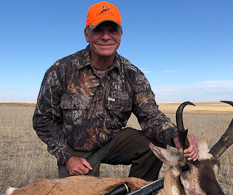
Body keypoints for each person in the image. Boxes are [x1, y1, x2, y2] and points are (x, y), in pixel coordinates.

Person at [33, 1, 198, 181]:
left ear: (120, 34)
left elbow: (150, 117)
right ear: (86, 34)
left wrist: (175, 135)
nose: (106, 37)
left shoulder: (132, 75)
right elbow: (43, 120)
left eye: (112, 30)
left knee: (154, 146)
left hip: (111, 142)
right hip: (76, 150)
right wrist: (67, 157)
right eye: (98, 30)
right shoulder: (61, 70)